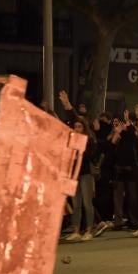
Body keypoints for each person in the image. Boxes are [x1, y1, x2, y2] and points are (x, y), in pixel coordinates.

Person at [58, 91, 99, 241]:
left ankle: (89, 229)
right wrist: (66, 105)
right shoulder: (72, 140)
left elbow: (90, 157)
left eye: (79, 127)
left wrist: (69, 106)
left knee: (87, 203)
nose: (76, 129)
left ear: (84, 128)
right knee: (76, 204)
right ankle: (76, 230)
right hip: (73, 176)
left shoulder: (89, 141)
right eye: (74, 127)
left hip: (86, 174)